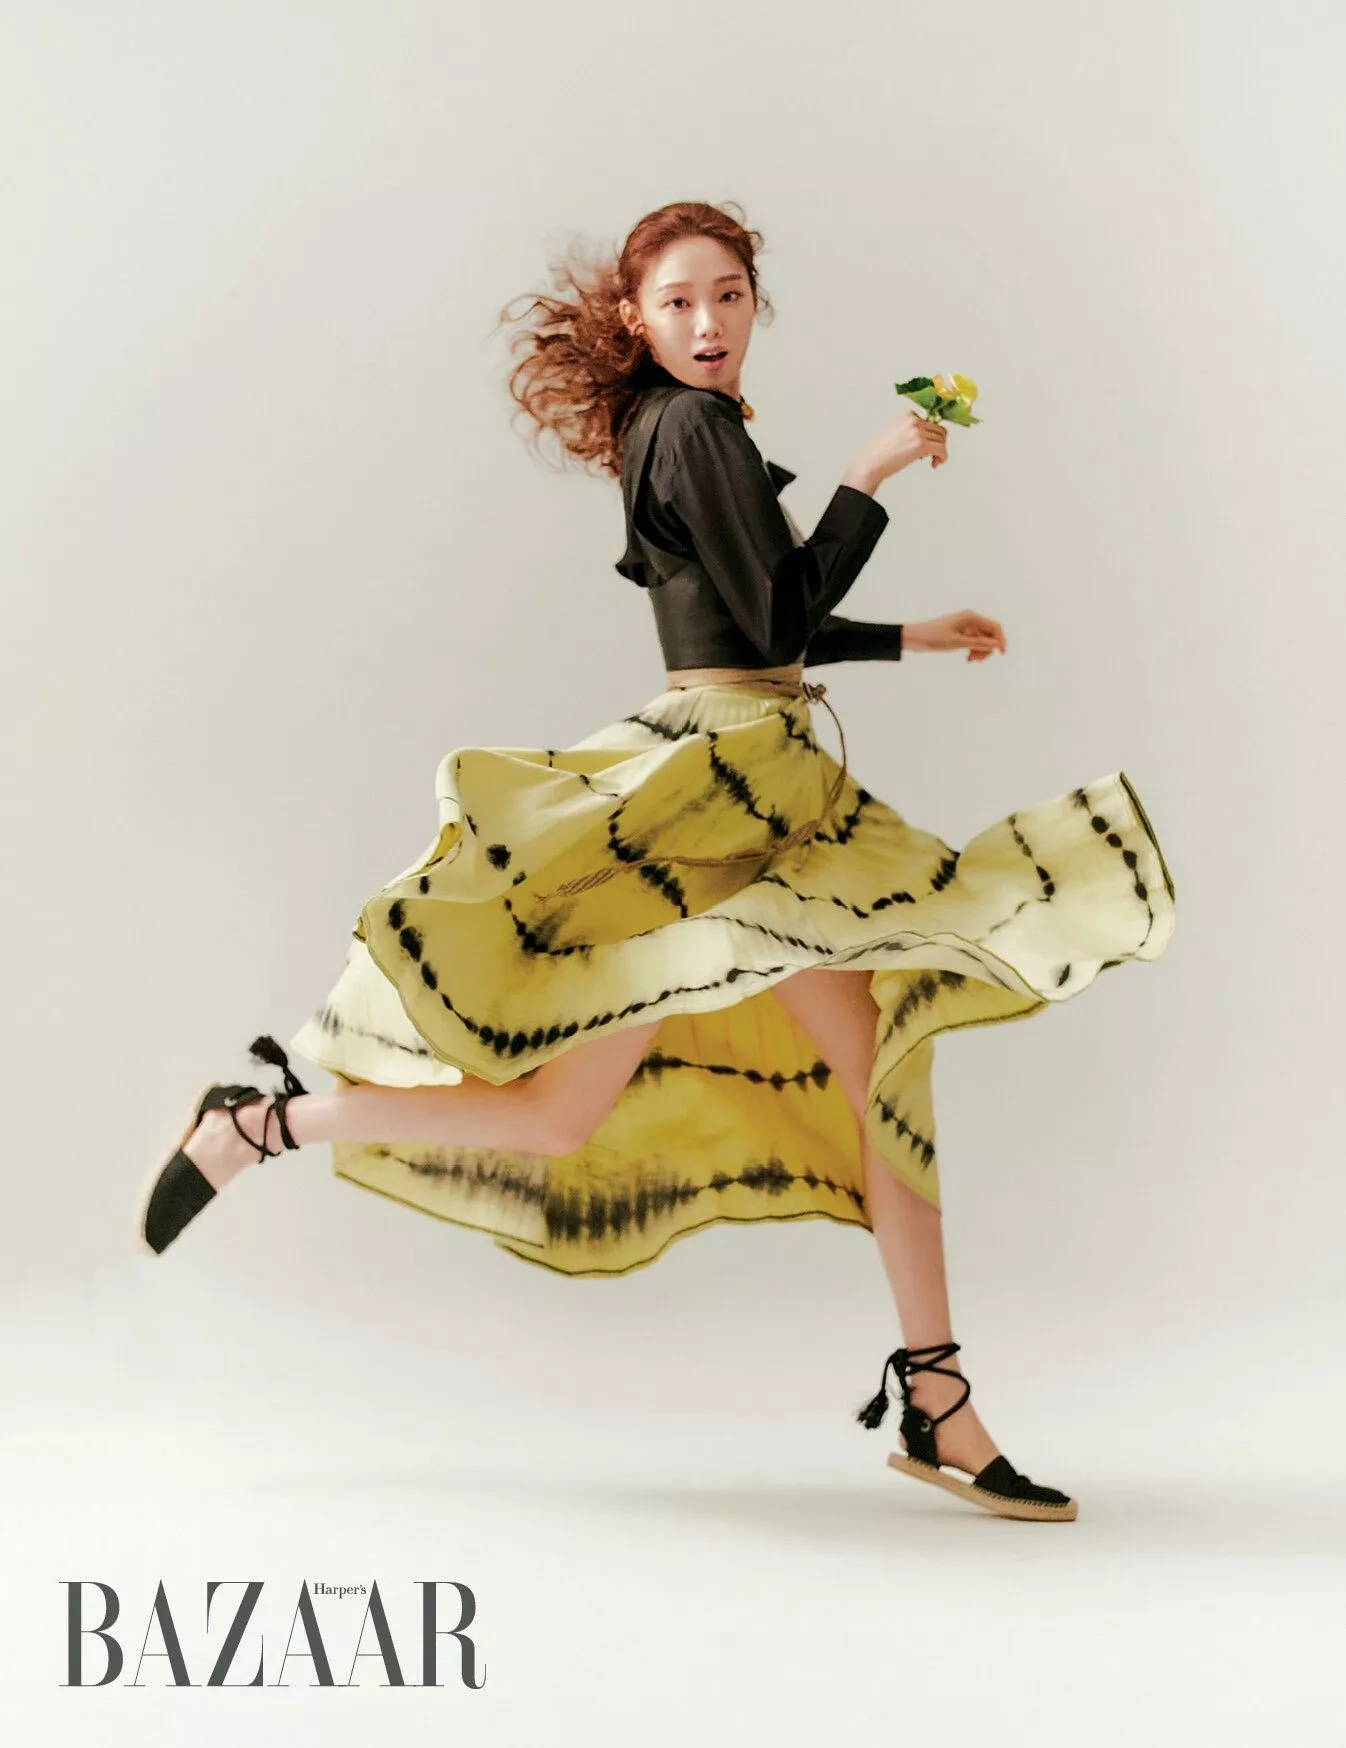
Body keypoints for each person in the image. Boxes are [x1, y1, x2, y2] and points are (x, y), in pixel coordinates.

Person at [137, 200, 1176, 1524]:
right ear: (637, 318)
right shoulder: (689, 426)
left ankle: (938, 1396)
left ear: (753, 305)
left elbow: (744, 623)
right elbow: (772, 616)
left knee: (822, 1089)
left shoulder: (688, 427)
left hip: (757, 794)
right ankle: (264, 1123)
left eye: (729, 295)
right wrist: (869, 476)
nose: (708, 321)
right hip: (716, 811)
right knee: (693, 1103)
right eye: (679, 301)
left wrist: (909, 638)